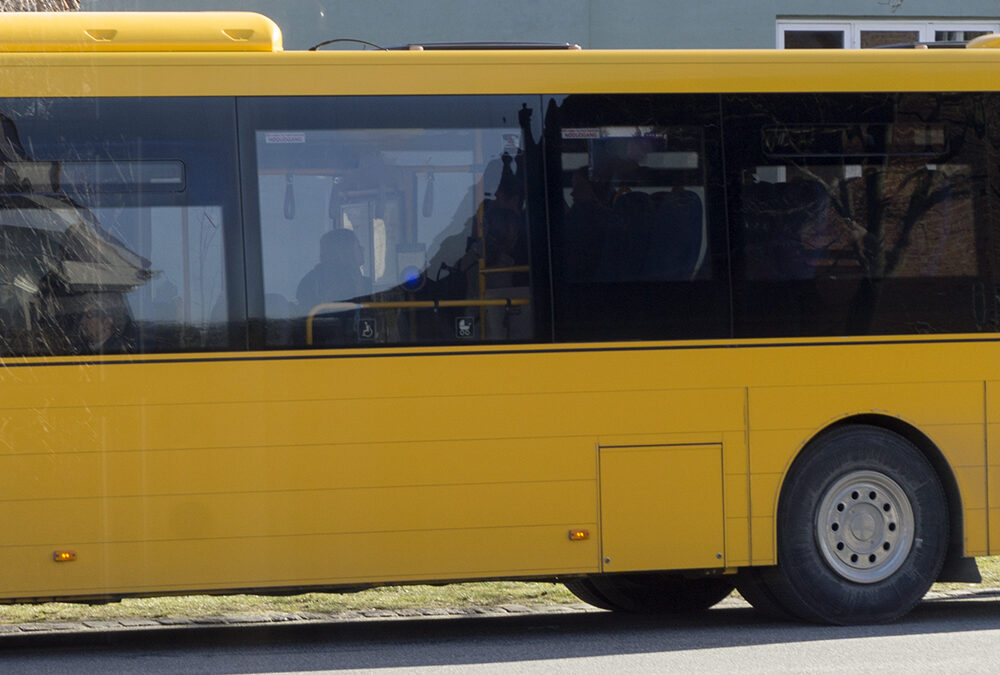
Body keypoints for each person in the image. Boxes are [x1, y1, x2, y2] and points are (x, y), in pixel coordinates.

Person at [296, 228, 367, 310]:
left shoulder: (366, 283)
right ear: (345, 251)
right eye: (357, 245)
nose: (363, 249)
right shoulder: (313, 283)